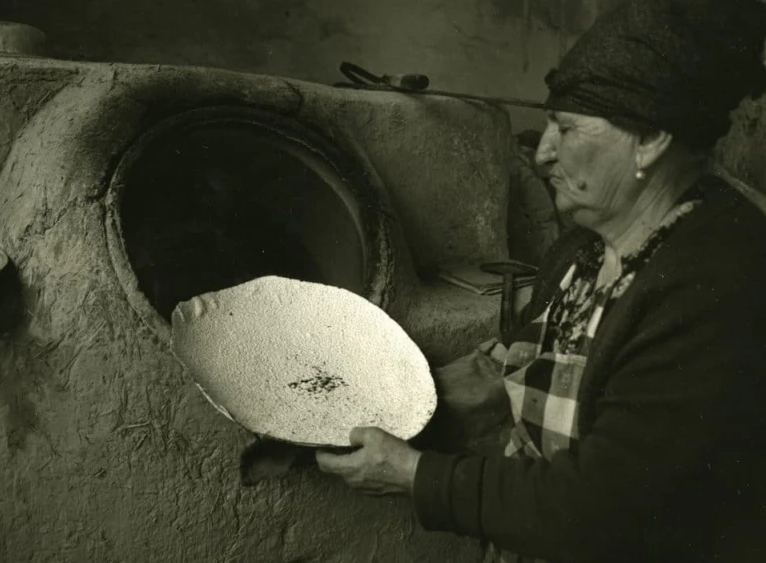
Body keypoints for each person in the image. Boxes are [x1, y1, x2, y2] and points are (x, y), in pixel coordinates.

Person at [315, 1, 766, 562]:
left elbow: (604, 506)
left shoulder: (719, 276)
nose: (544, 151)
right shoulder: (582, 248)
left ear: (649, 138)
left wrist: (414, 475)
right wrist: (365, 402)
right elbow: (500, 371)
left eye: (568, 128)